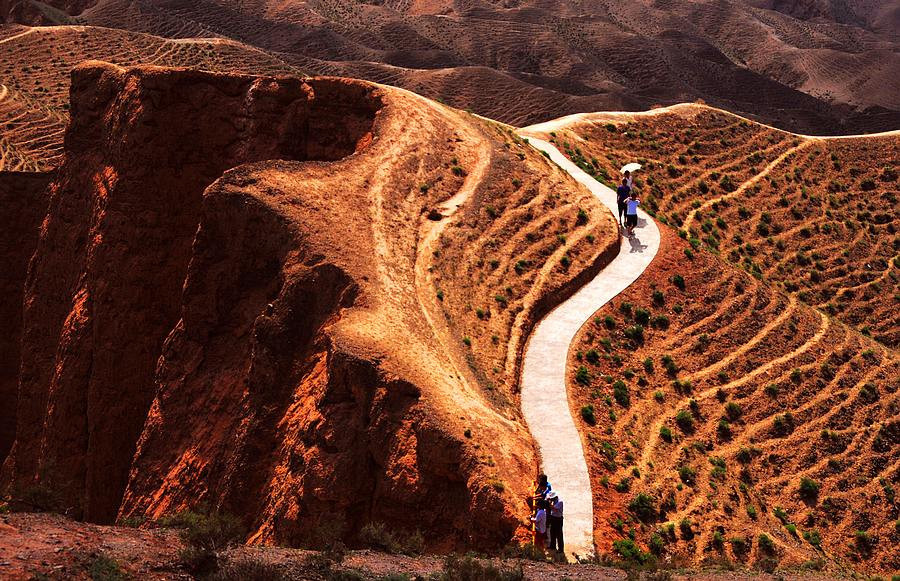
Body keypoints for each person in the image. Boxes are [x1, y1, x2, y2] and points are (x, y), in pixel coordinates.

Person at [546, 491, 564, 556]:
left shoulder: (560, 502)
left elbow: (553, 508)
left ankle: (561, 549)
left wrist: (549, 503)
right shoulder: (554, 499)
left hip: (558, 519)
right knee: (552, 532)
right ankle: (552, 546)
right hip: (553, 517)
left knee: (559, 534)